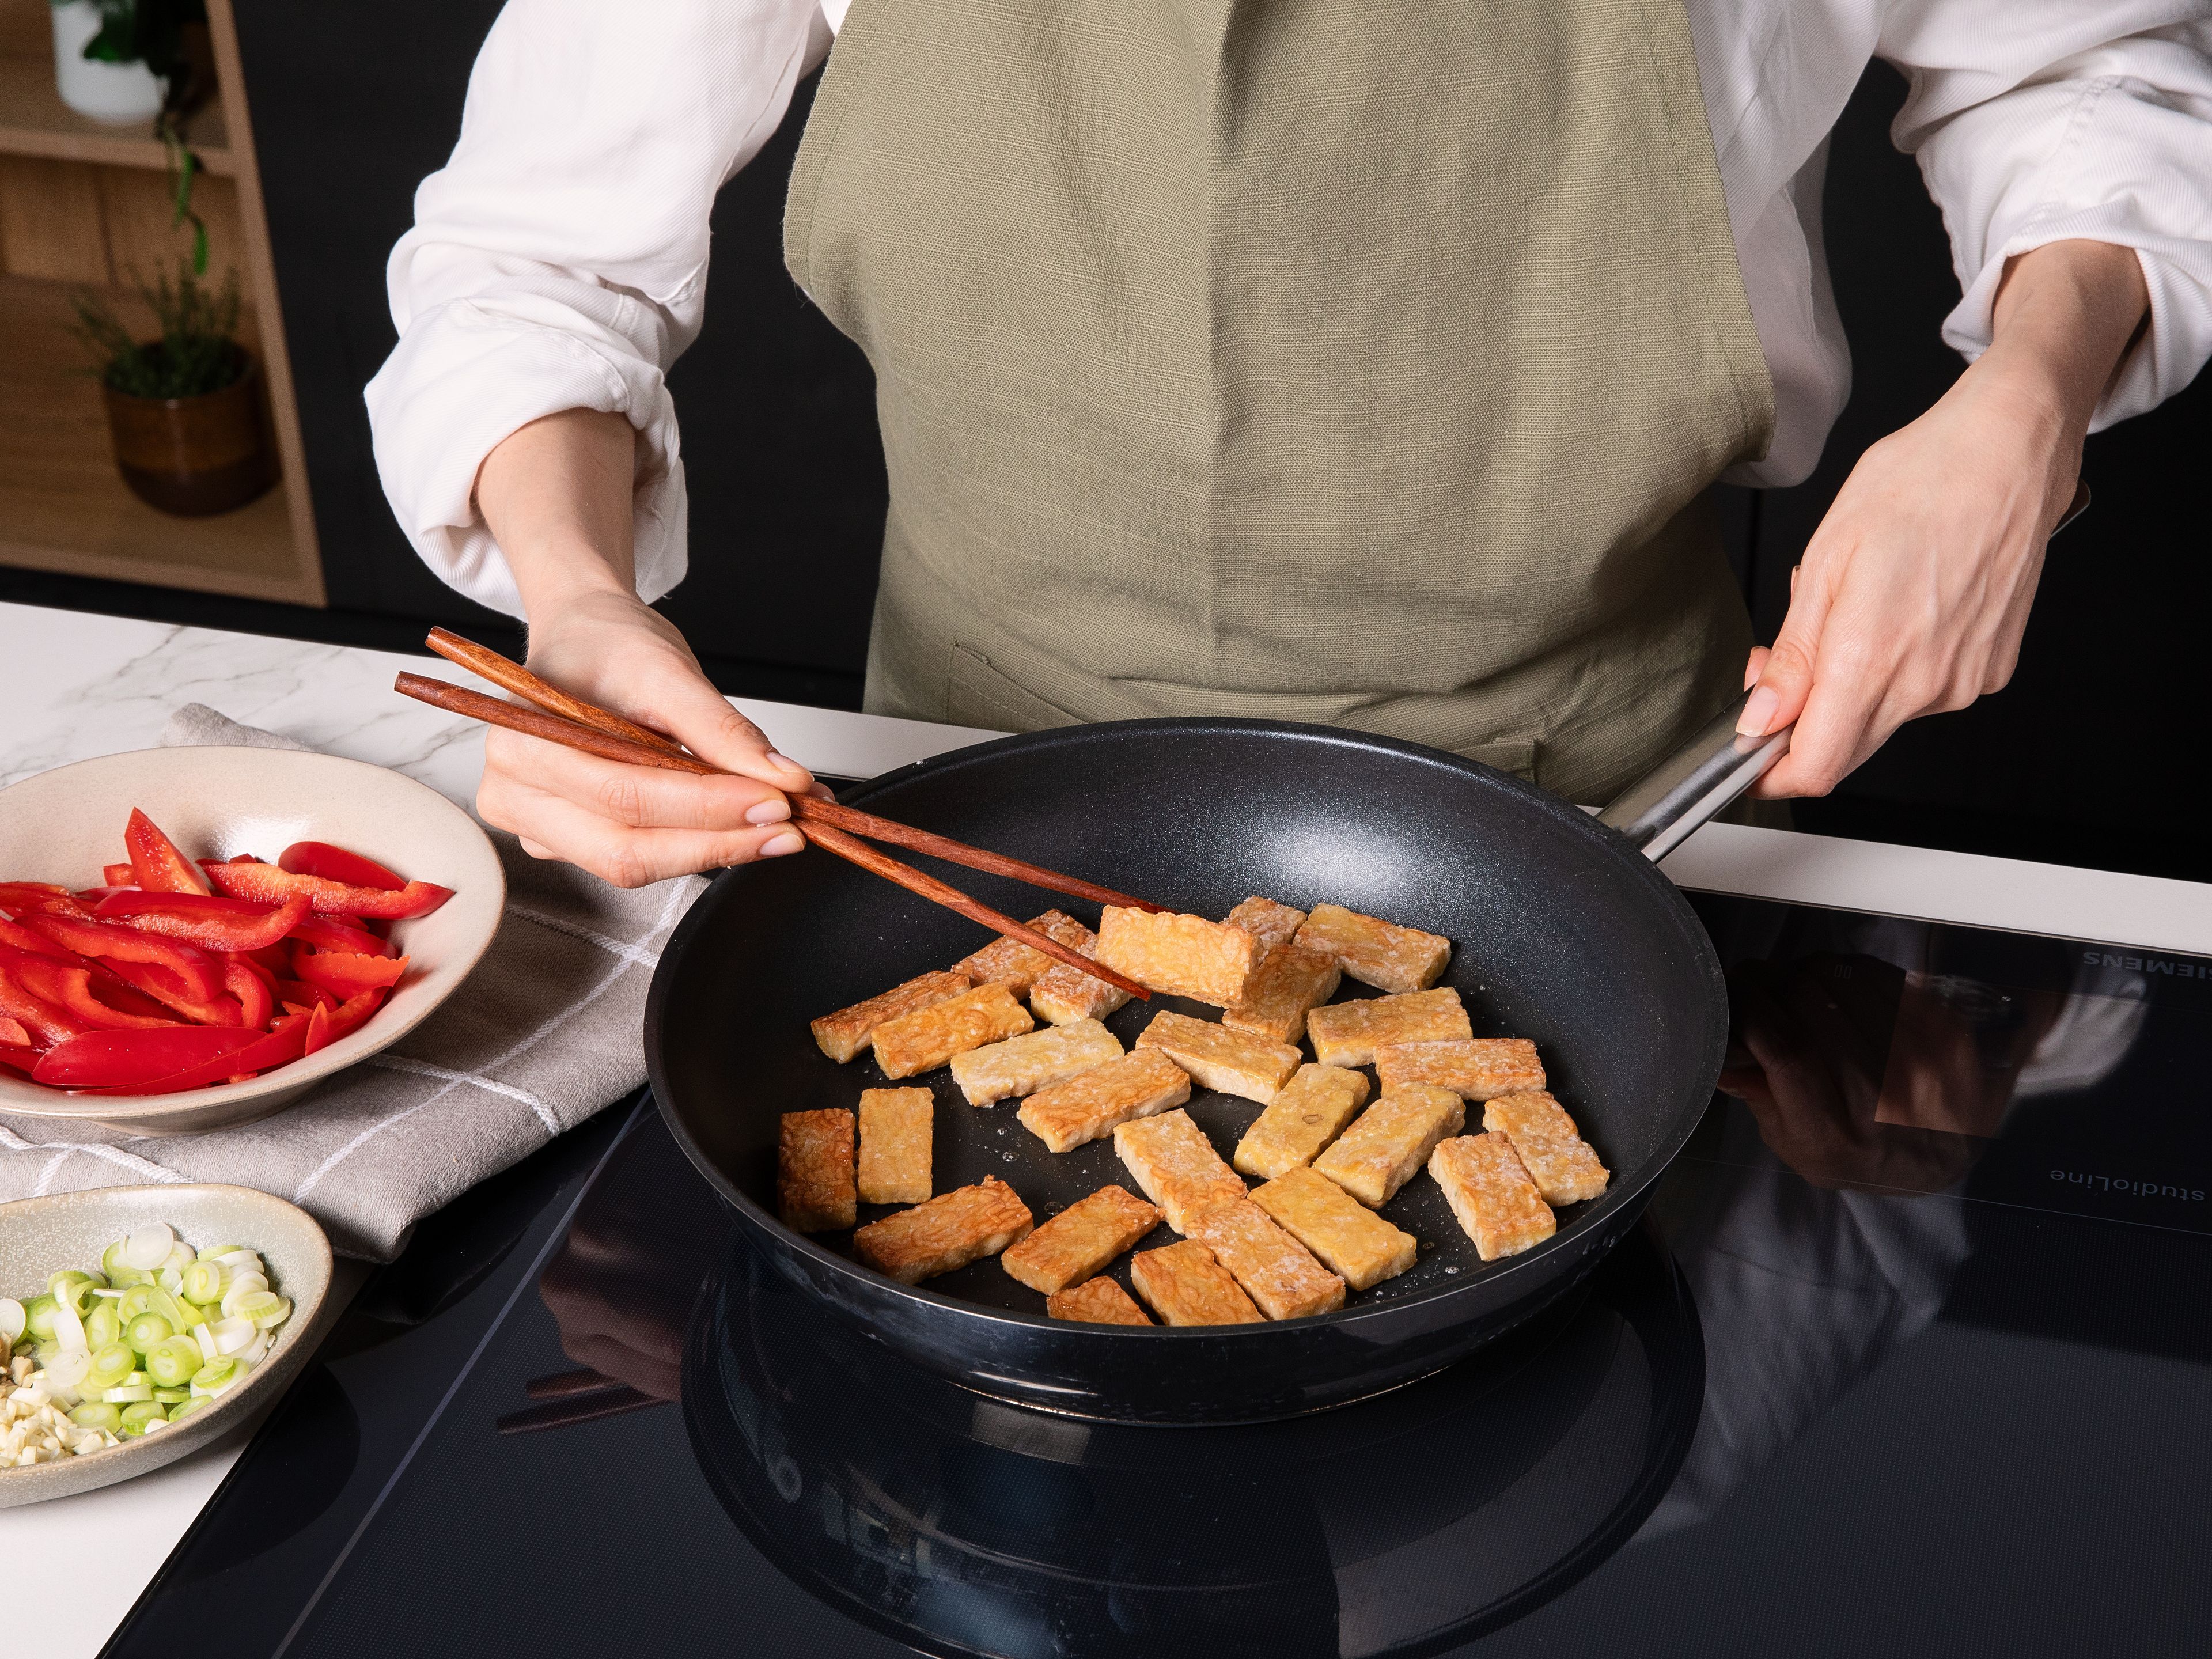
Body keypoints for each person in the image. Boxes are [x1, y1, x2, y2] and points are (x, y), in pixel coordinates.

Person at [368, 0, 2212, 888]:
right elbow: (537, 256)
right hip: (949, 809)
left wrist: (2023, 405)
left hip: (1642, 826)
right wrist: (577, 600)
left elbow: (2078, 72)